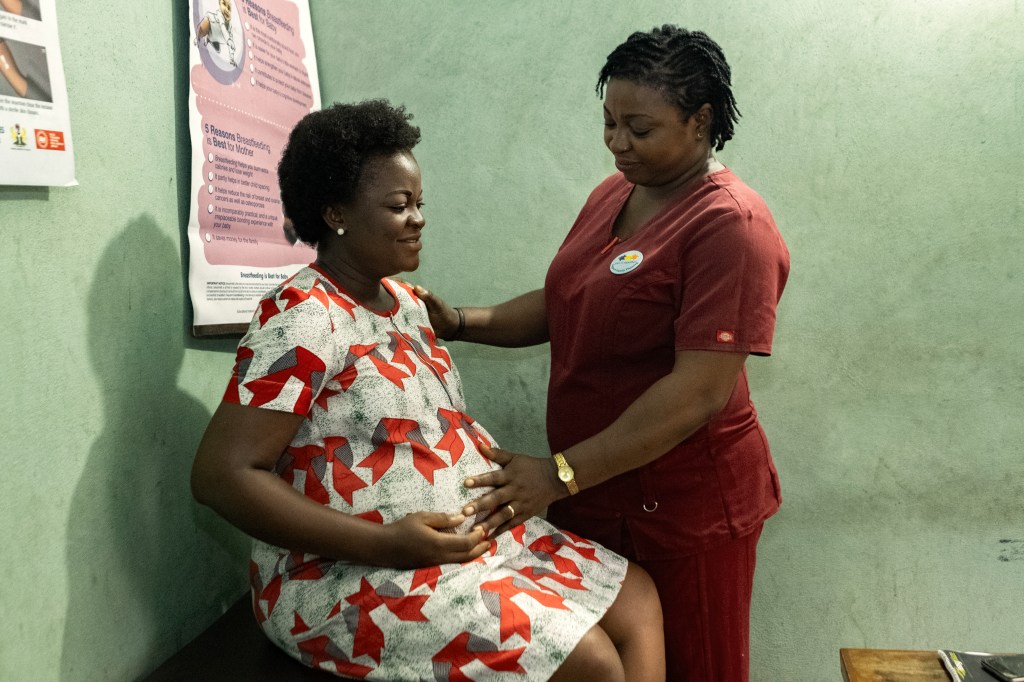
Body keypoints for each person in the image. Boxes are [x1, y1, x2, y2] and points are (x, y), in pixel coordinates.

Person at [191, 100, 665, 681]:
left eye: (419, 203)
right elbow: (222, 476)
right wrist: (387, 544)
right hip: (347, 571)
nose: (417, 218)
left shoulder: (409, 305)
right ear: (335, 213)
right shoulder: (303, 317)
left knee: (637, 597)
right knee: (589, 661)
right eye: (398, 206)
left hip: (463, 544)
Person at [416, 26, 790, 682]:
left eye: (639, 128)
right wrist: (461, 322)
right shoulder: (615, 194)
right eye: (609, 123)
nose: (618, 143)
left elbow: (698, 392)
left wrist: (556, 476)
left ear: (700, 122)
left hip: (683, 511)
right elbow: (569, 300)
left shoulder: (731, 225)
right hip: (595, 491)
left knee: (696, 667)